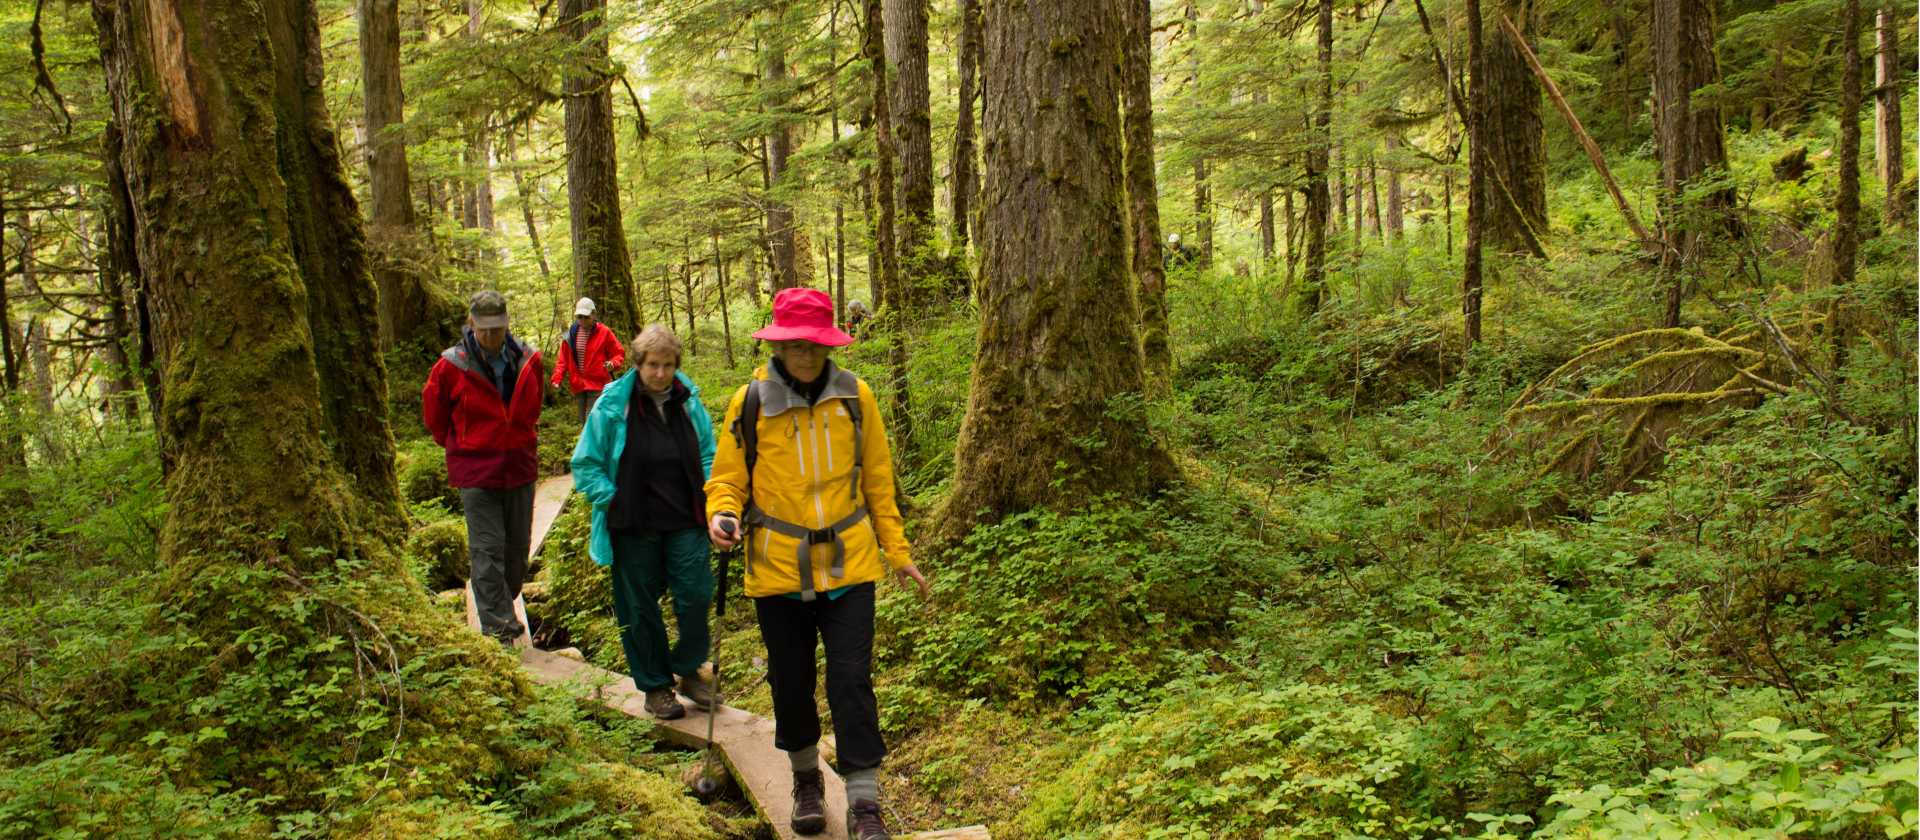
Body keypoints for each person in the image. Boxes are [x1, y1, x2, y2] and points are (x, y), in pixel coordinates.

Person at [705, 287, 928, 840]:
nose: (805, 354)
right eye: (795, 344)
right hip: (775, 569)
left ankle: (864, 801)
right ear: (779, 344)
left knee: (852, 681)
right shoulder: (749, 401)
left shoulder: (857, 397)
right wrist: (723, 513)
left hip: (850, 567)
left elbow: (879, 481)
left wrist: (897, 551)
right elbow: (728, 476)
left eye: (815, 345)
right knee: (790, 682)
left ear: (829, 345)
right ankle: (806, 780)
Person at [569, 325, 719, 720]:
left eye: (668, 365)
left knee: (696, 592)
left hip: (686, 516)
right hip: (632, 523)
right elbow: (585, 464)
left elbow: (708, 452)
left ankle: (689, 670)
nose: (660, 374)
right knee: (639, 607)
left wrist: (712, 494)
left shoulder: (688, 400)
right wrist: (612, 499)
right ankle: (656, 686)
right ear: (638, 364)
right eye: (653, 365)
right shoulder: (613, 404)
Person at [422, 290, 546, 647]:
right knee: (487, 548)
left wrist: (520, 438)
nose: (491, 336)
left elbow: (533, 408)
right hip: (476, 472)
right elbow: (435, 416)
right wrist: (461, 446)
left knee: (516, 550)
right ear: (471, 324)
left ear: (507, 323)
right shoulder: (450, 366)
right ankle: (498, 628)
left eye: (497, 328)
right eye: (484, 329)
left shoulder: (528, 359)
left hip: (519, 467)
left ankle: (504, 602)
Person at [550, 297, 626, 422]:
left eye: (586, 317)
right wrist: (557, 378)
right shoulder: (570, 335)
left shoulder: (604, 332)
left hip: (598, 384)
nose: (583, 320)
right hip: (578, 385)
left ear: (594, 315)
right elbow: (563, 360)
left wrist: (613, 363)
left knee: (592, 421)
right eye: (580, 317)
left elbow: (619, 353)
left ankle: (597, 441)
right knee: (583, 421)